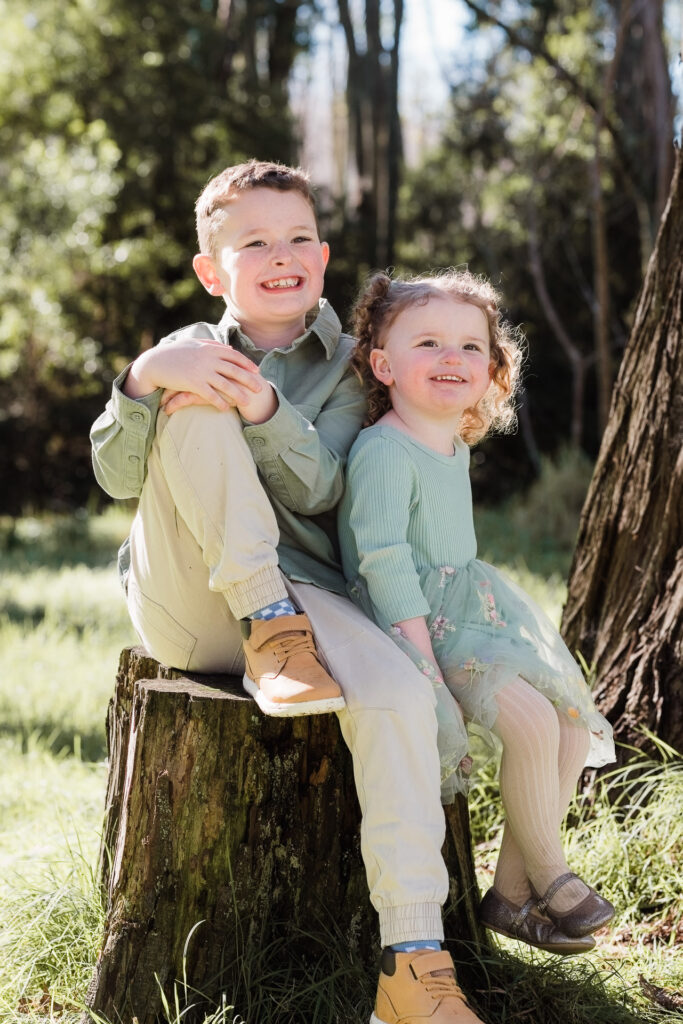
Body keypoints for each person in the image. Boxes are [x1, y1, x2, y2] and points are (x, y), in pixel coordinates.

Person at [91, 160, 486, 1024]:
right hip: (196, 607)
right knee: (197, 396)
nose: (282, 255)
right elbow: (118, 477)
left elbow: (326, 492)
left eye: (299, 237)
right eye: (254, 241)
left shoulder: (355, 366)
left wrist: (268, 407)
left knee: (391, 694)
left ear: (324, 252)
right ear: (211, 269)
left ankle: (413, 966)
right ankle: (265, 621)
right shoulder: (188, 349)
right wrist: (145, 378)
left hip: (312, 598)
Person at [337, 269, 617, 965]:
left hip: (472, 616)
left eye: (469, 346)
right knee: (526, 725)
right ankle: (548, 877)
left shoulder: (451, 445)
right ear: (383, 364)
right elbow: (382, 559)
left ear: (491, 367)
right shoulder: (382, 449)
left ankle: (509, 892)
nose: (451, 357)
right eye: (428, 342)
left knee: (569, 731)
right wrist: (422, 662)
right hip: (410, 628)